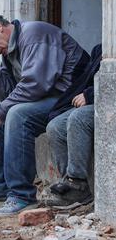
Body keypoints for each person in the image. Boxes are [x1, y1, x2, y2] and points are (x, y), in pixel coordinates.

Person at [0, 14, 90, 217]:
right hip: (47, 98)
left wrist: (2, 111)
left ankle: (22, 195)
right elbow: (8, 94)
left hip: (67, 96)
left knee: (16, 114)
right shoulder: (9, 49)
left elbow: (36, 84)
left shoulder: (34, 34)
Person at [45, 44, 102, 207]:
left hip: (105, 102)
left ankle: (77, 183)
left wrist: (90, 95)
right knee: (55, 126)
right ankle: (69, 187)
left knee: (79, 117)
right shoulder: (100, 49)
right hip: (99, 101)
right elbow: (86, 80)